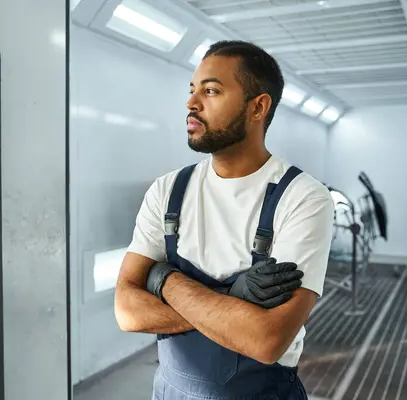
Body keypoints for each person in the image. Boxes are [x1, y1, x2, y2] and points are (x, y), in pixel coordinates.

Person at [114, 40, 334, 400]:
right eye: (192, 90)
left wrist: (164, 279)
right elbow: (127, 311)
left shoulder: (303, 198)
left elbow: (265, 340)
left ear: (258, 107)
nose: (191, 103)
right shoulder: (168, 189)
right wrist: (231, 299)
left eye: (211, 90)